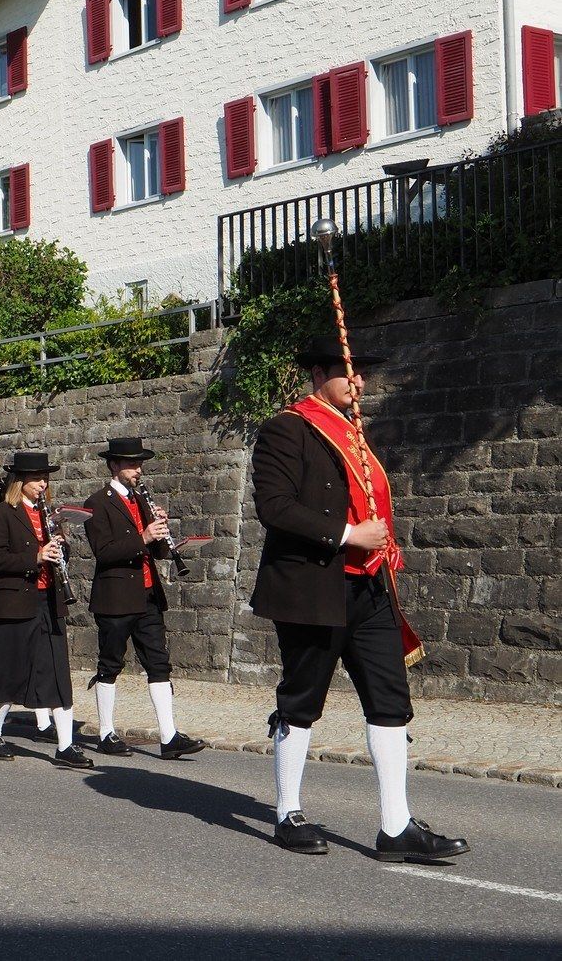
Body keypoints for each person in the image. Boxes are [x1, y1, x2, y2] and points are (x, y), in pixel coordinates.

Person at [252, 335, 468, 862]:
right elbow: (275, 507)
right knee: (302, 698)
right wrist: (350, 534)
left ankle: (395, 826)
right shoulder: (287, 429)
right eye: (348, 371)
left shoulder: (354, 433)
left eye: (362, 374)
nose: (359, 382)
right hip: (314, 587)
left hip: (370, 587)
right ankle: (288, 812)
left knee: (390, 699)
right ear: (317, 375)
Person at [0, 452, 93, 769]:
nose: (42, 484)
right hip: (15, 601)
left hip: (50, 599)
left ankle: (65, 745)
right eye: (36, 479)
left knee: (56, 672)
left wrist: (62, 545)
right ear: (19, 482)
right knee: (10, 672)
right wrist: (34, 557)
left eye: (45, 479)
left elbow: (58, 554)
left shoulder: (49, 515)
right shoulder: (2, 514)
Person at [82, 438, 205, 760]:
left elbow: (158, 551)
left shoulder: (142, 500)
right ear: (114, 466)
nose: (138, 470)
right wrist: (144, 536)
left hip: (148, 595)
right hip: (115, 598)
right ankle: (106, 732)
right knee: (110, 664)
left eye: (139, 464)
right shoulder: (96, 503)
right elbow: (103, 552)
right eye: (131, 464)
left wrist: (163, 535)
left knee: (159, 664)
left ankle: (169, 736)